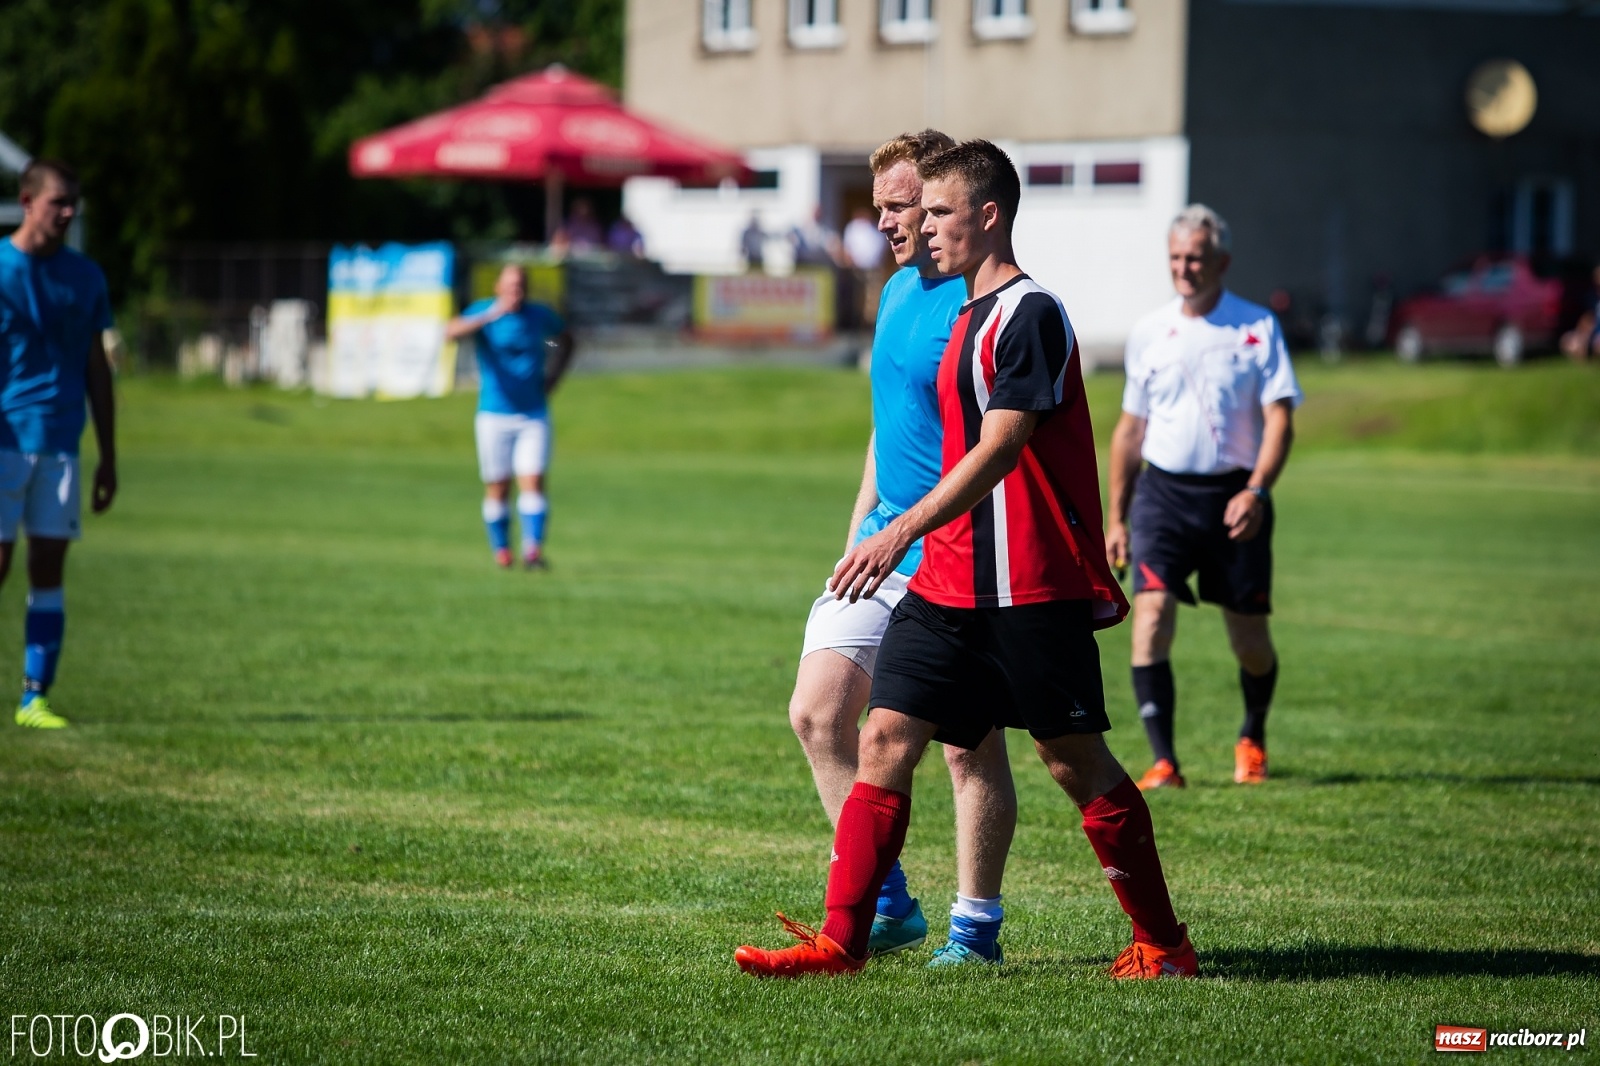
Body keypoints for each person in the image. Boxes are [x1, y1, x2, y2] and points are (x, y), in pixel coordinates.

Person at [735, 140, 1196, 980]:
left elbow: (1000, 448)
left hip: (1027, 582)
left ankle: (1164, 944)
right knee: (880, 737)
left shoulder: (1032, 315)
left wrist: (895, 530)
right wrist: (879, 524)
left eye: (939, 212)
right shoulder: (950, 313)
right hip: (946, 582)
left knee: (1071, 760)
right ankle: (844, 944)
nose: (920, 227)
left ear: (988, 216)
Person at [784, 130, 1018, 968]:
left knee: (968, 747)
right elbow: (888, 430)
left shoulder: (983, 304)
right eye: (877, 205)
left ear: (943, 204)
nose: (882, 221)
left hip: (954, 554)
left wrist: (912, 529)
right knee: (816, 713)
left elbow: (997, 444)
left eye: (898, 205)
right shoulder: (892, 295)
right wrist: (860, 527)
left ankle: (975, 928)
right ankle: (888, 904)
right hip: (879, 551)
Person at [1105, 205, 1303, 790]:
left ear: (1222, 261)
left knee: (1250, 641)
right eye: (1175, 258)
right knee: (1152, 618)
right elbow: (1129, 432)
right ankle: (1164, 762)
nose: (1184, 269)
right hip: (1162, 496)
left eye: (1195, 258)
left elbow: (1280, 422)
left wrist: (1256, 492)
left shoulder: (1258, 326)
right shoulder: (1149, 331)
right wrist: (1116, 515)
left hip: (1235, 500)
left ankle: (1253, 734)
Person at [0, 159, 117, 729]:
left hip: (62, 444)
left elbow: (97, 368)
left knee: (48, 568)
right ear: (26, 201)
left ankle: (33, 698)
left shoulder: (86, 277)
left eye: (73, 203)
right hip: (3, 442)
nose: (68, 213)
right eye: (57, 202)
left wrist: (110, 457)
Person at [446, 265, 574, 570]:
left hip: (532, 412)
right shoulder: (486, 314)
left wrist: (553, 372)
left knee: (533, 480)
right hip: (494, 413)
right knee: (499, 486)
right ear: (498, 288)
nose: (515, 293)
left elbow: (560, 340)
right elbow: (451, 332)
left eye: (520, 287)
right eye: (509, 287)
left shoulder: (537, 317)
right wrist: (489, 316)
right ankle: (502, 550)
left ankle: (533, 550)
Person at [1559, 264, 1600, 362]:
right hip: (1593, 334)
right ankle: (1585, 362)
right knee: (1567, 341)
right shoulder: (1593, 299)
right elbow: (1588, 318)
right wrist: (1583, 334)